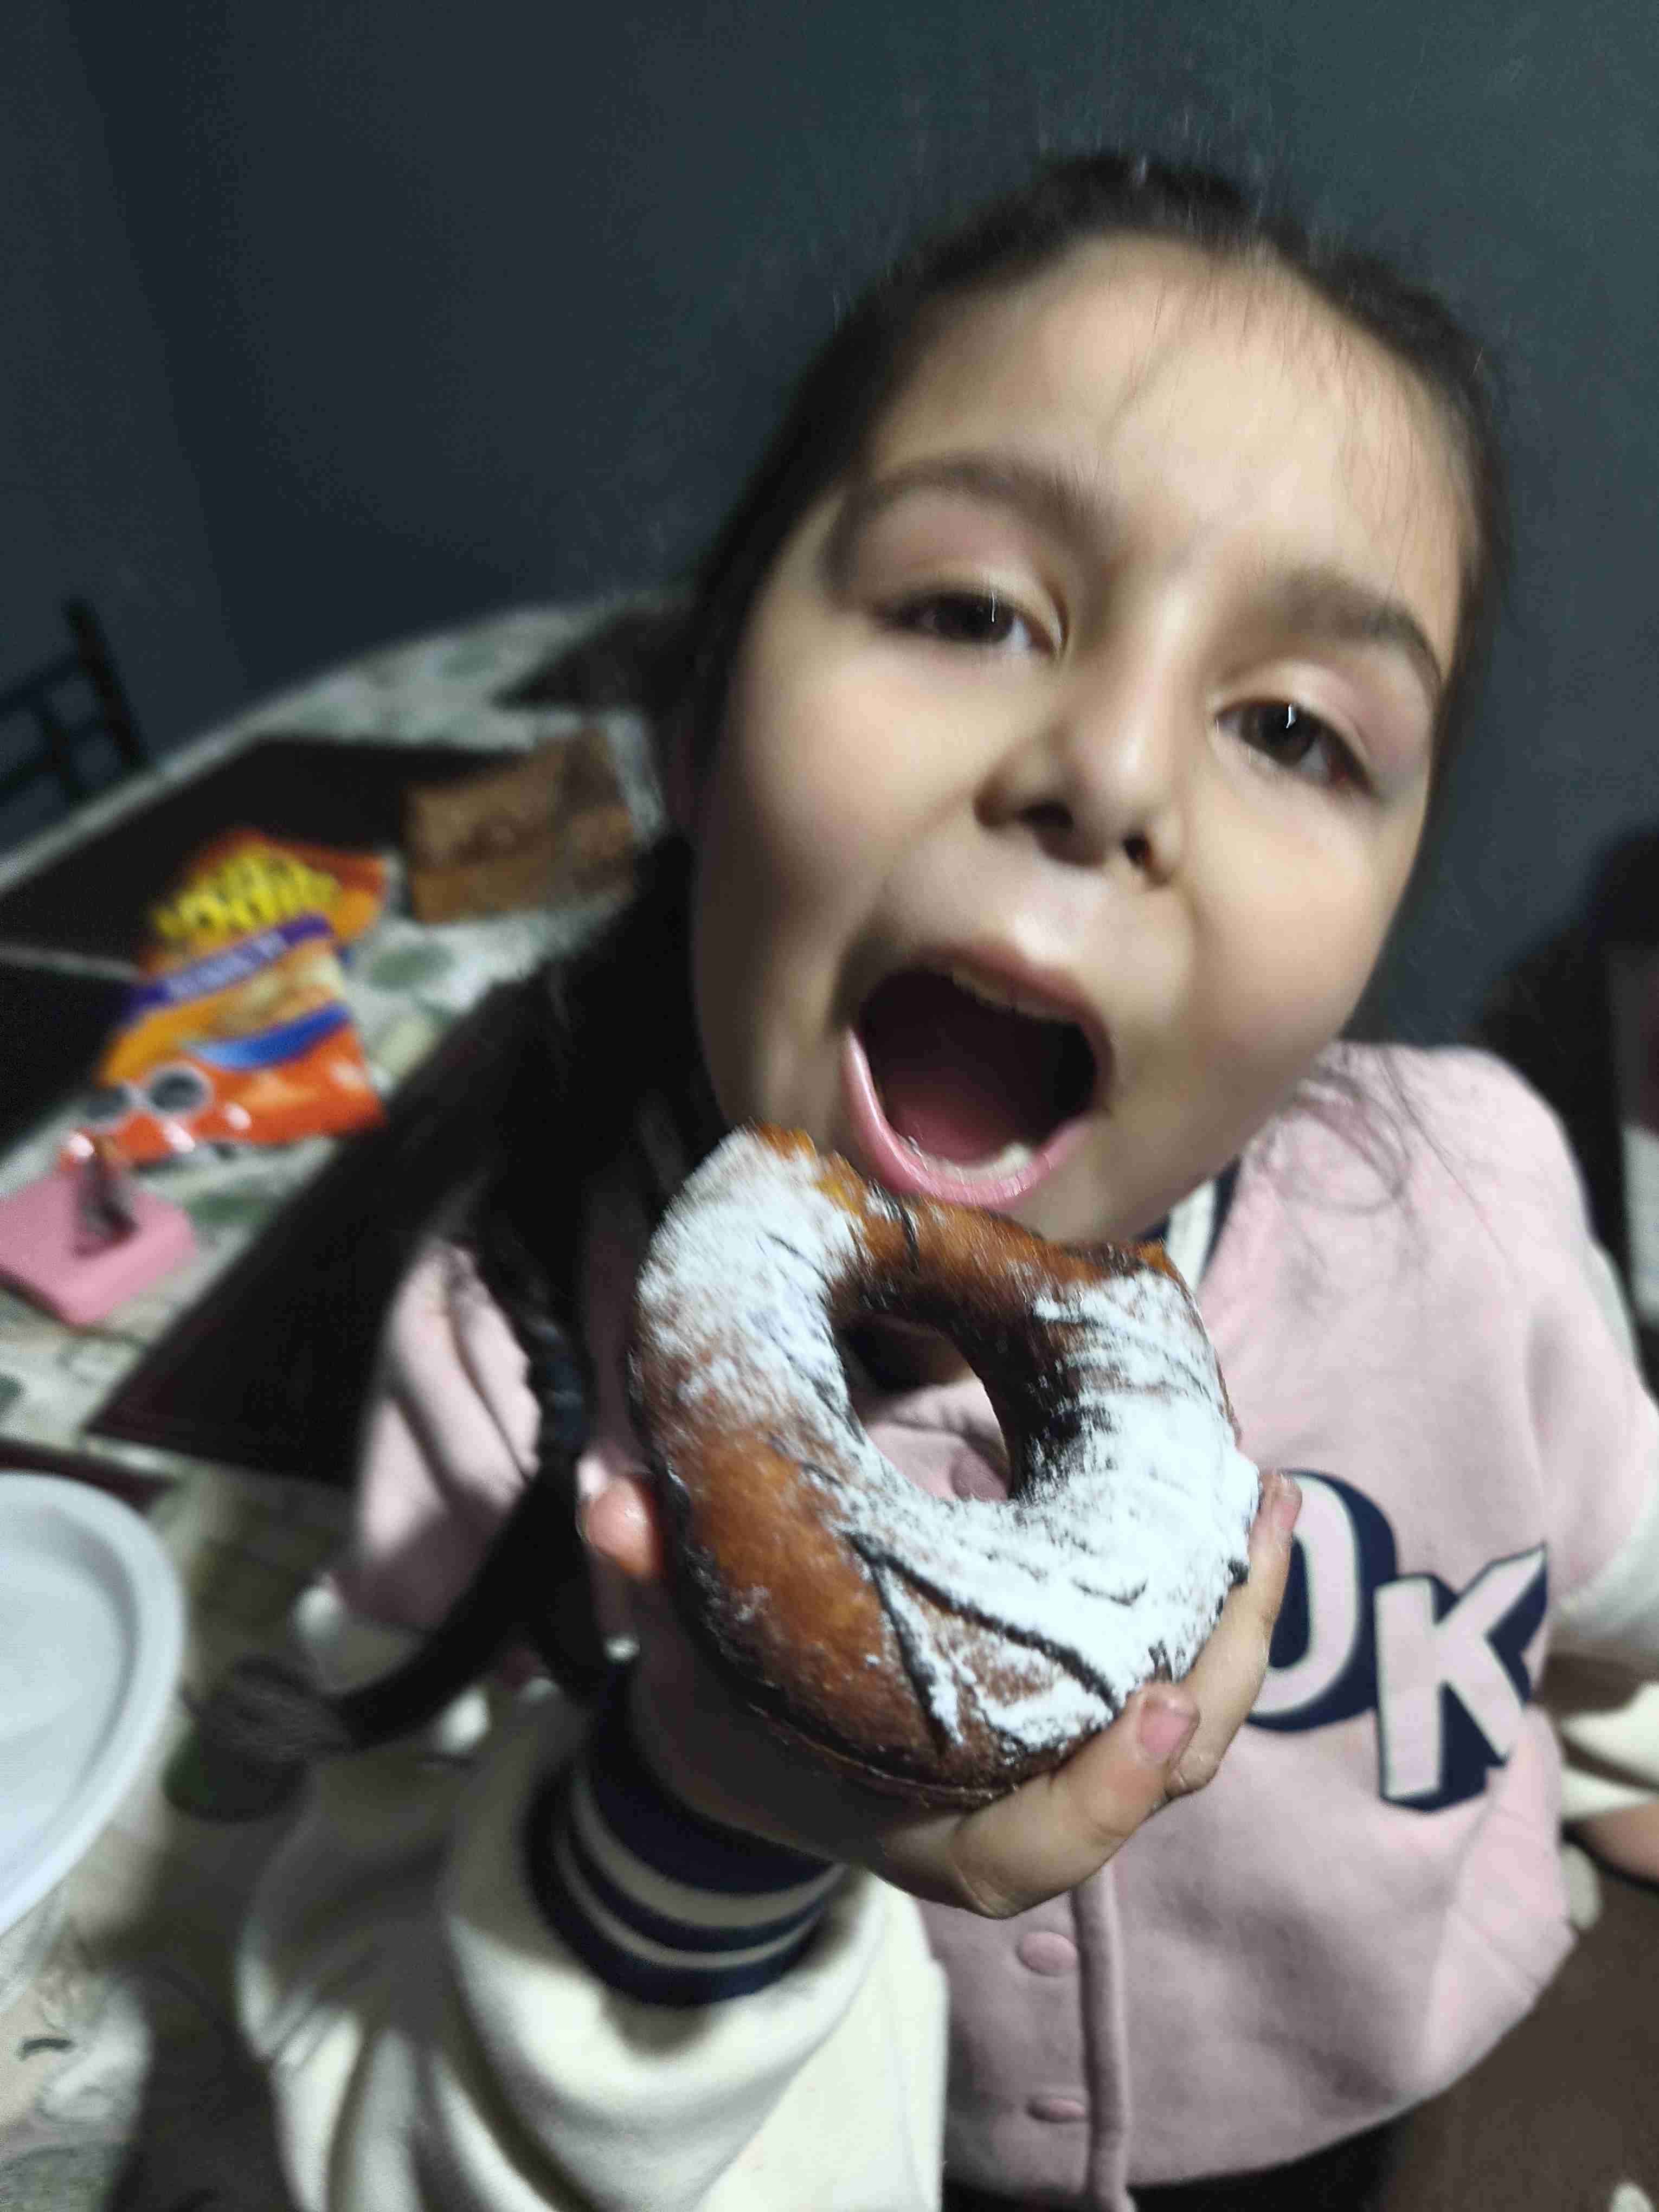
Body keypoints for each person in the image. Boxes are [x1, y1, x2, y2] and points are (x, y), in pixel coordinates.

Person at [232, 152, 1659, 2211]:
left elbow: (1614, 1579)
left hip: (1429, 2097)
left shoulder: (1473, 1214)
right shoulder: (511, 1368)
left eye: (1291, 728)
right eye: (971, 608)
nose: (1111, 770)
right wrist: (703, 1819)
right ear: (707, 729)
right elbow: (377, 2118)